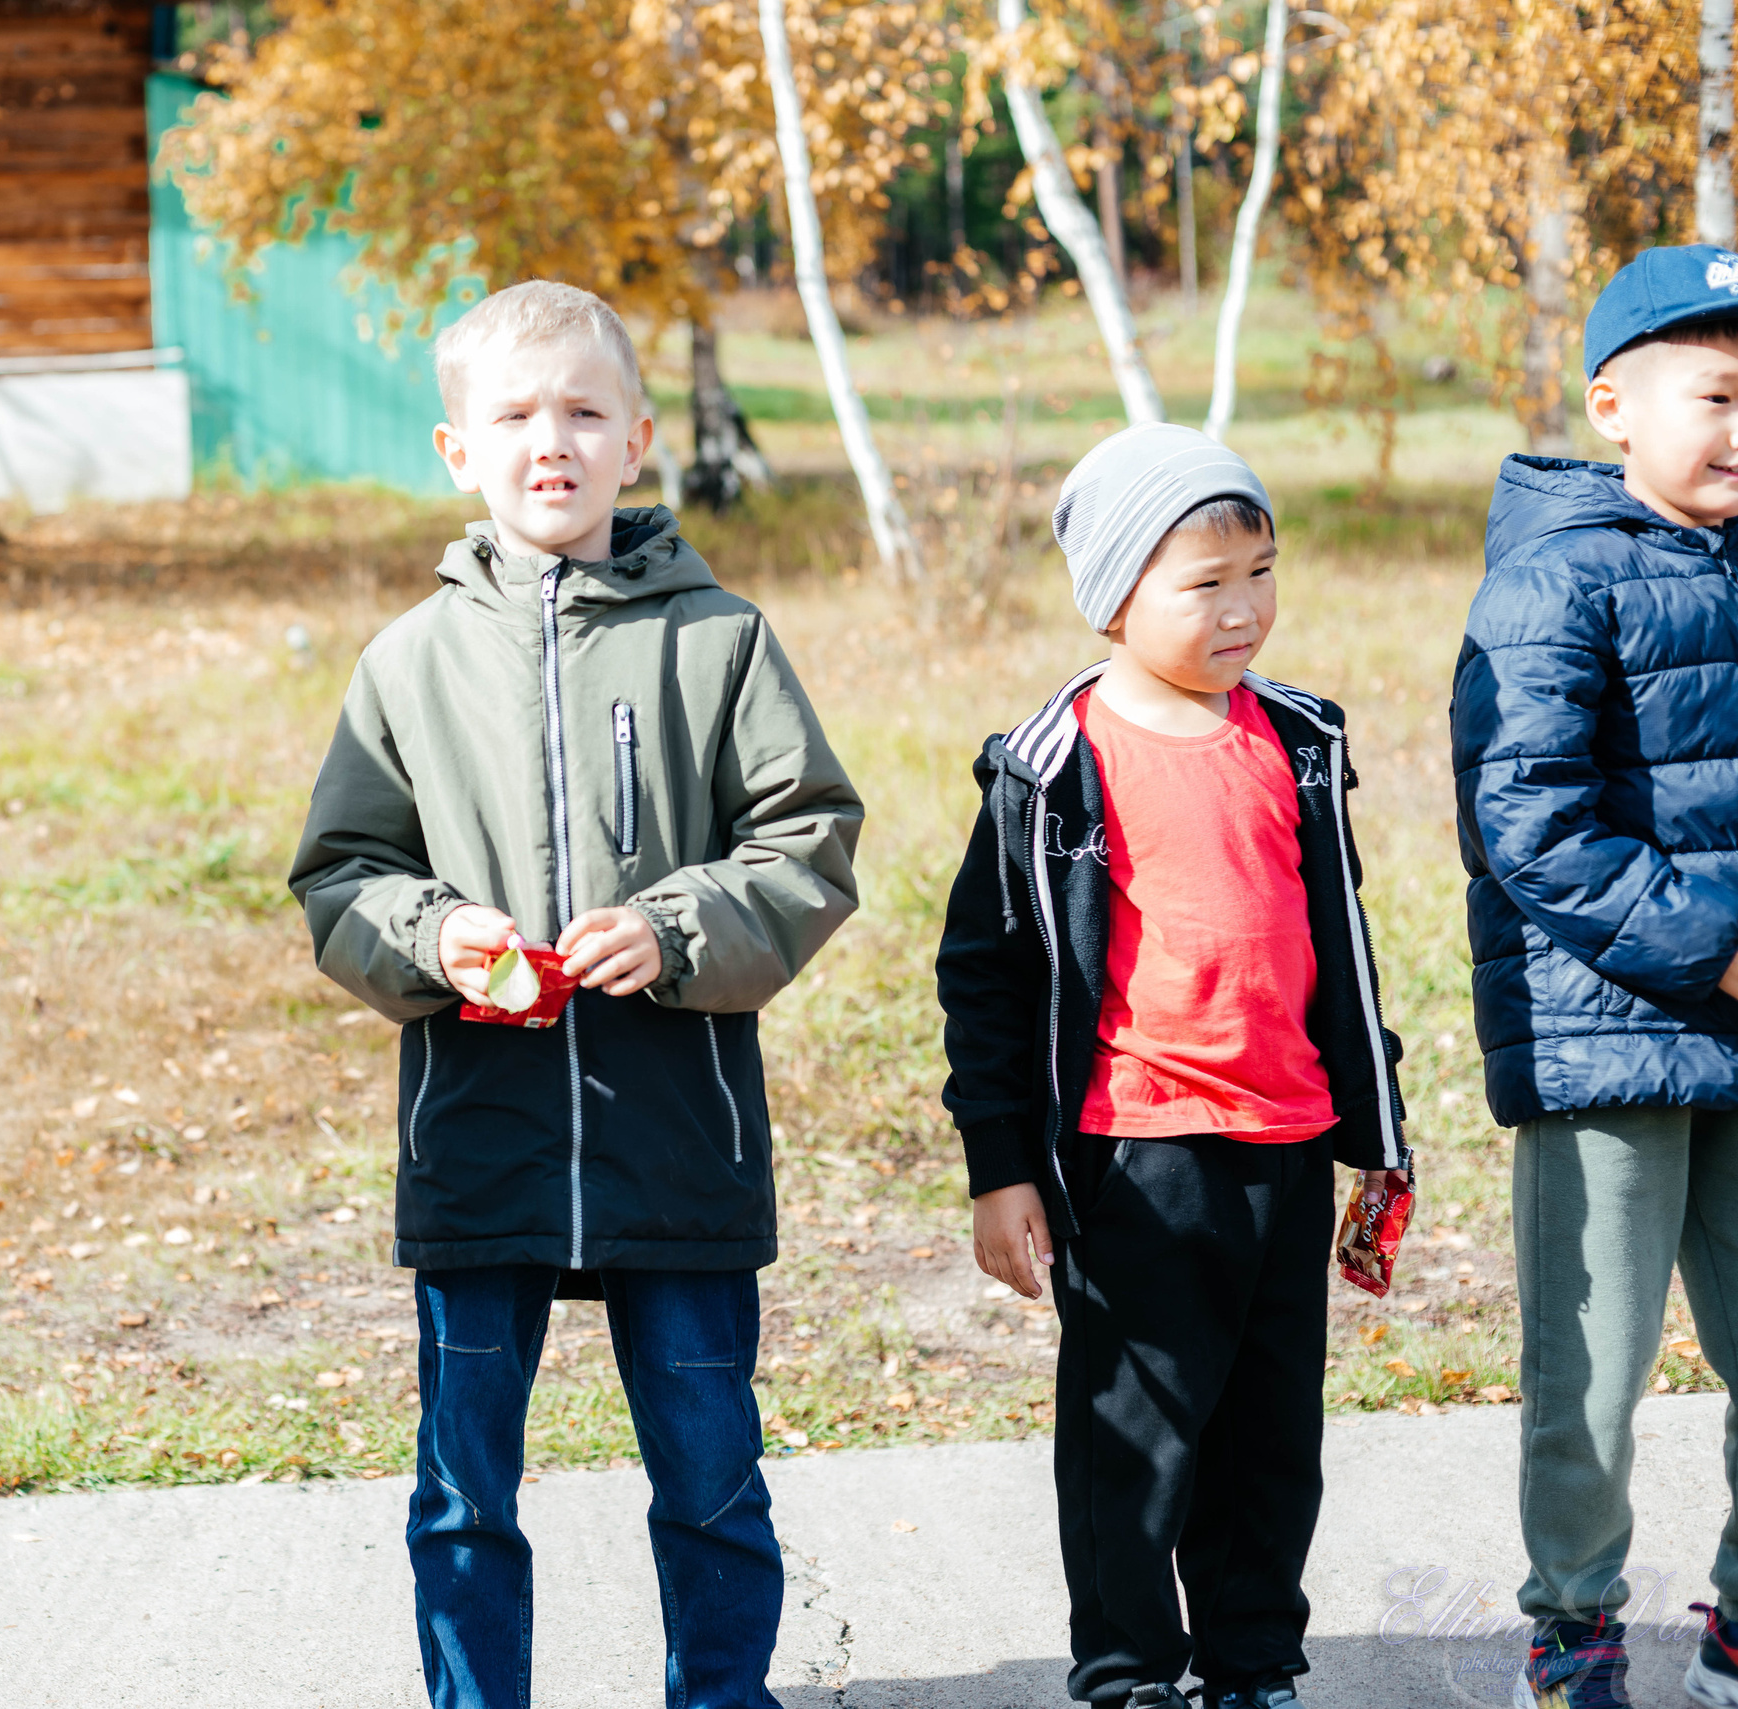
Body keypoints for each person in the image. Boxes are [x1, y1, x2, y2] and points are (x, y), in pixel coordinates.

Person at [288, 280, 863, 1709]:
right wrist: (434, 935)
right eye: (515, 416)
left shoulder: (719, 639)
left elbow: (807, 842)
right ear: (457, 449)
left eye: (585, 412)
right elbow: (342, 875)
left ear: (638, 440)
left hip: (681, 1135)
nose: (551, 441)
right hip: (481, 1140)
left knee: (711, 1471)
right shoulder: (408, 664)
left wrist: (677, 927)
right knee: (463, 1485)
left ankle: (721, 1694)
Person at [937, 423, 1411, 1709]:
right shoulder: (1052, 767)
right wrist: (999, 1166)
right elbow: (986, 978)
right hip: (1135, 1157)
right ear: (1113, 598)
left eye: (1261, 571)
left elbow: (1342, 944)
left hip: (1287, 1145)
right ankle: (1129, 1673)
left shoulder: (1294, 740)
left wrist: (1378, 1132)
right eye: (1204, 584)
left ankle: (1252, 1665)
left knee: (1270, 1437)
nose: (1242, 608)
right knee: (1133, 1440)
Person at [1453, 243, 1738, 1709]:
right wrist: (1716, 944)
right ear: (1612, 406)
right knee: (1595, 1375)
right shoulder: (1554, 579)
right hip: (1606, 1040)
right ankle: (1571, 1633)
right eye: (1718, 395)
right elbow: (1530, 822)